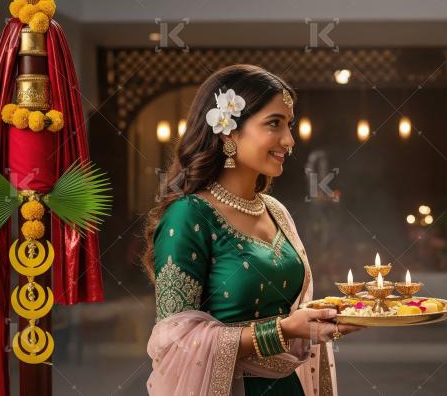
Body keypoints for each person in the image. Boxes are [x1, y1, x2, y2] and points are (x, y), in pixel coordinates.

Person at [141, 64, 364, 395]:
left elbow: (291, 313)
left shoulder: (276, 211)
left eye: (289, 125)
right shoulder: (189, 216)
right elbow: (175, 344)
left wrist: (320, 321)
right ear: (229, 130)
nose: (289, 140)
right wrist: (285, 330)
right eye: (274, 124)